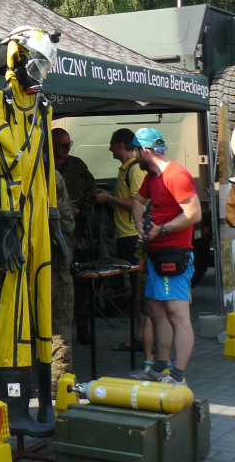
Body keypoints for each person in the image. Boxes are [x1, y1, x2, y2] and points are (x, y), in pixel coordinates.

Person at [0, 26, 66, 437]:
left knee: (43, 304)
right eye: (38, 64)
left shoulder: (42, 109)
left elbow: (46, 165)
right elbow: (4, 162)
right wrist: (6, 226)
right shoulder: (2, 107)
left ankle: (45, 402)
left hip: (37, 220)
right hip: (15, 219)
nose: (40, 75)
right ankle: (15, 405)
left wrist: (53, 220)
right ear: (19, 60)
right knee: (15, 308)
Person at [129, 127, 201, 386]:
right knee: (157, 311)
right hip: (156, 253)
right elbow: (138, 202)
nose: (134, 155)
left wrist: (161, 229)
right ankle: (160, 367)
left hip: (175, 254)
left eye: (136, 150)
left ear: (144, 151)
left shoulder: (176, 175)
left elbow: (194, 214)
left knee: (177, 314)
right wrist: (141, 226)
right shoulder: (153, 176)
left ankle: (178, 376)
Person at [94, 128, 149, 354]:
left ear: (120, 145)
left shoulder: (134, 169)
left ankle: (141, 338)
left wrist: (109, 198)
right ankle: (141, 336)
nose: (109, 149)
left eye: (111, 144)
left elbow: (140, 203)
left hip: (132, 236)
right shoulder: (128, 169)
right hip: (126, 235)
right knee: (136, 289)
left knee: (139, 290)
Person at [52, 127, 97, 344]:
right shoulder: (43, 168)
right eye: (62, 145)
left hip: (78, 233)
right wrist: (63, 206)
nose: (67, 148)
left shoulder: (77, 165)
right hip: (53, 237)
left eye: (69, 143)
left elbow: (92, 191)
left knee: (81, 285)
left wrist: (84, 207)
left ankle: (83, 327)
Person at [50, 169, 75, 398]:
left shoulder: (13, 172)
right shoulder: (52, 175)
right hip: (56, 264)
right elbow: (66, 223)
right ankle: (58, 390)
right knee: (59, 329)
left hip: (27, 265)